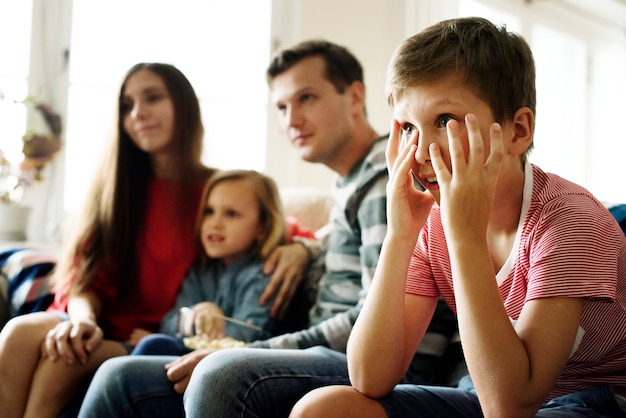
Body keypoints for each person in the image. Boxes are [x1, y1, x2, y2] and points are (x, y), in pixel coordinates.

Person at [76, 40, 458, 418]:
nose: (291, 119)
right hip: (335, 351)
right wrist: (305, 249)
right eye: (281, 107)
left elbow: (375, 315)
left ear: (355, 97)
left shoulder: (385, 180)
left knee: (128, 379)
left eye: (306, 98)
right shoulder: (354, 182)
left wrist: (253, 351)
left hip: (373, 360)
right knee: (121, 372)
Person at [287, 17, 626, 418]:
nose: (421, 150)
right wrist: (400, 236)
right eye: (409, 127)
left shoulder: (569, 221)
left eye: (445, 122)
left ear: (517, 131)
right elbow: (368, 376)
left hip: (593, 401)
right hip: (483, 392)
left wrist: (465, 240)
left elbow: (510, 406)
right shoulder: (433, 225)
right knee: (323, 408)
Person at [0, 63, 307, 418]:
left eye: (153, 98)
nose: (138, 113)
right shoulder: (114, 190)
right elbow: (85, 279)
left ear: (183, 106)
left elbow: (280, 226)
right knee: (18, 334)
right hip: (90, 321)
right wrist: (81, 321)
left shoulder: (214, 193)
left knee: (61, 363)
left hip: (146, 335)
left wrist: (300, 248)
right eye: (127, 105)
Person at [131, 169, 298, 356]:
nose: (214, 223)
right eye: (209, 212)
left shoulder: (265, 274)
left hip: (242, 362)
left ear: (262, 227)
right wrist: (197, 312)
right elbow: (169, 323)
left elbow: (247, 337)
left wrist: (209, 323)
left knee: (145, 351)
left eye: (231, 214)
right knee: (152, 344)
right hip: (196, 354)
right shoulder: (201, 272)